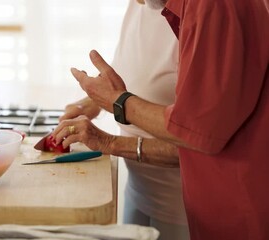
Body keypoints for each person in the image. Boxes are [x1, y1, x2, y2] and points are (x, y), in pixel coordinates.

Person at [53, 0, 269, 239]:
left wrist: (112, 129)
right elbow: (139, 72)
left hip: (193, 208)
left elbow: (198, 133)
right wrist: (94, 100)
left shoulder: (211, 6)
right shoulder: (149, 3)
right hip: (144, 191)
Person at [57, 1, 189, 240]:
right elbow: (133, 75)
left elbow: (196, 141)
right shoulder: (140, 5)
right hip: (138, 191)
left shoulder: (199, 20)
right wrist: (92, 101)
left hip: (183, 211)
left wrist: (108, 143)